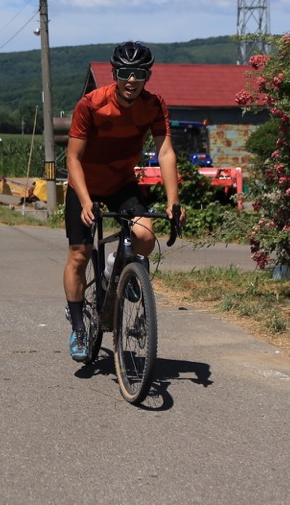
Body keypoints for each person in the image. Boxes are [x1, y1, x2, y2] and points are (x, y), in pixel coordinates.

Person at [63, 41, 182, 362]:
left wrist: (174, 201)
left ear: (148, 75)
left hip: (121, 182)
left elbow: (166, 152)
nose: (132, 79)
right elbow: (72, 157)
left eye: (139, 73)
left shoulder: (154, 105)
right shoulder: (91, 104)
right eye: (126, 73)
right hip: (84, 184)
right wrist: (86, 201)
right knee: (79, 255)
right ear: (114, 73)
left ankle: (116, 268)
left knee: (144, 235)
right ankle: (78, 327)